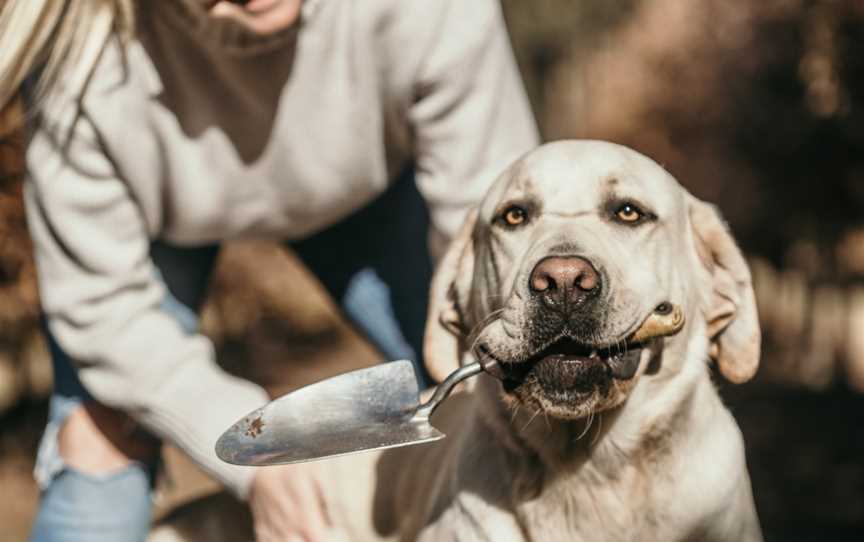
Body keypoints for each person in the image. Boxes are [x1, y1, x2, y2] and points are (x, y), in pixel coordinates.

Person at [0, 0, 538, 540]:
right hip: (164, 228)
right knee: (95, 449)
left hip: (378, 187)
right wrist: (256, 446)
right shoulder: (79, 58)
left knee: (511, 393)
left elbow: (492, 229)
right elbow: (102, 309)